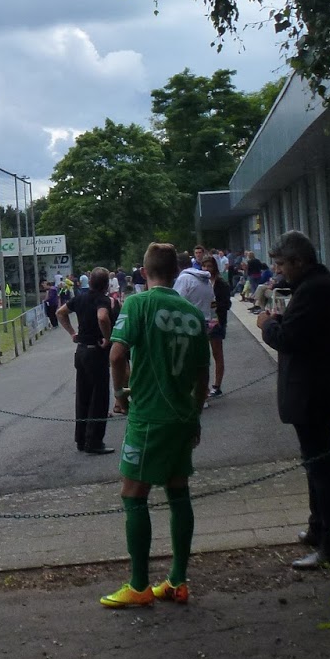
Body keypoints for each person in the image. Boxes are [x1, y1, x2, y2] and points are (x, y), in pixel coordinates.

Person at [101, 243, 210, 608]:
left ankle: (138, 585)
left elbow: (117, 354)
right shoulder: (193, 314)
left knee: (134, 495)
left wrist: (120, 395)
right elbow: (202, 377)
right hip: (182, 416)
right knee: (179, 493)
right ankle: (178, 580)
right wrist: (194, 416)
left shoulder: (137, 304)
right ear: (177, 274)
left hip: (149, 416)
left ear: (144, 273)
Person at [259, 230, 330, 570]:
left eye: (282, 264)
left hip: (313, 391)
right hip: (322, 388)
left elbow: (290, 338)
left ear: (299, 261)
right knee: (316, 464)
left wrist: (267, 325)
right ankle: (320, 529)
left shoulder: (314, 290)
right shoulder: (321, 286)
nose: (279, 272)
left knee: (321, 467)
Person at [56, 268, 114, 455]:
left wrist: (73, 332)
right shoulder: (102, 299)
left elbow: (60, 312)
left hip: (81, 351)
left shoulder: (80, 298)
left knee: (83, 396)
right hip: (96, 351)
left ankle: (81, 438)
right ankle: (94, 440)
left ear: (89, 282)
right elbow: (103, 317)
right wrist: (107, 337)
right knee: (99, 397)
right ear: (106, 285)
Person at [205, 255, 233, 398]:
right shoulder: (201, 281)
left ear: (214, 267)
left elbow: (227, 304)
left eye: (209, 266)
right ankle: (204, 386)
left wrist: (215, 305)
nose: (207, 269)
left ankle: (217, 385)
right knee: (203, 355)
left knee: (217, 354)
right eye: (204, 266)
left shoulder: (221, 283)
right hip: (204, 321)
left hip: (217, 321)